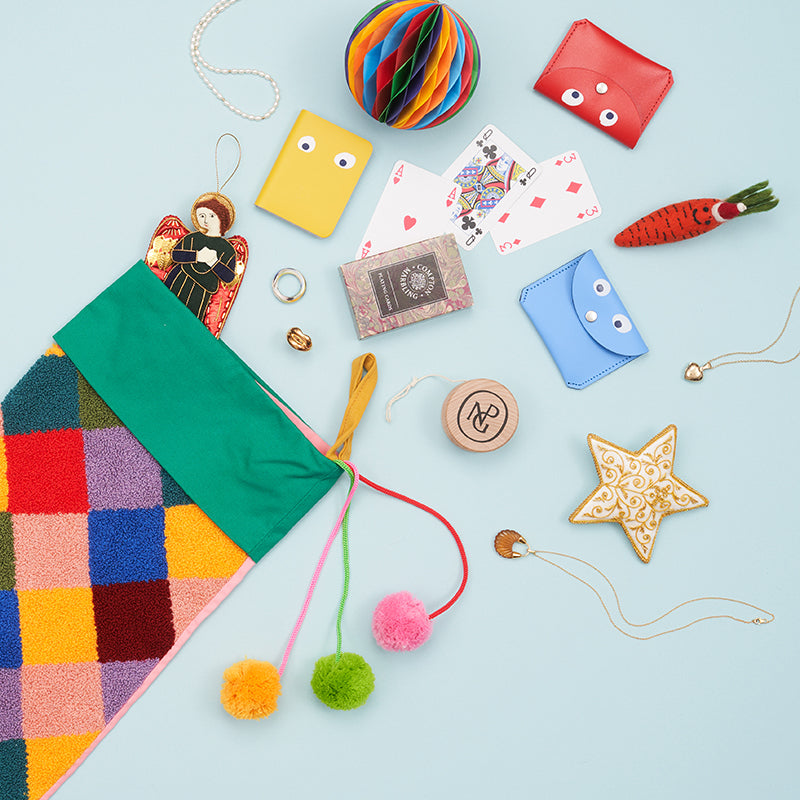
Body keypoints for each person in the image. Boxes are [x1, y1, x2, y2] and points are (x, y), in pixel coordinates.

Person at [165, 193, 238, 321]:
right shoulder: (193, 238)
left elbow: (229, 276)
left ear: (222, 218)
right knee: (164, 308)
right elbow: (176, 254)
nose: (205, 221)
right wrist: (197, 256)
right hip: (180, 280)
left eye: (211, 216)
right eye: (202, 216)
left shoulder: (227, 249)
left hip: (200, 293)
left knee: (187, 321)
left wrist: (214, 262)